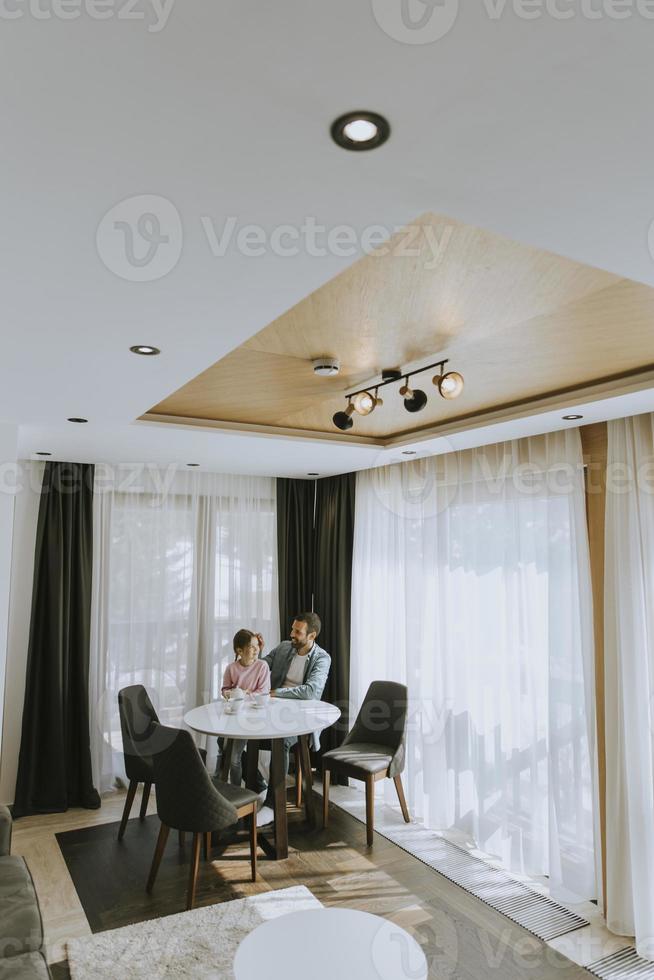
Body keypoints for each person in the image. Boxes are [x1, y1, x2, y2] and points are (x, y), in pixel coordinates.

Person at [256, 612, 330, 826]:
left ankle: (272, 805)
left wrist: (276, 693)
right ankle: (260, 786)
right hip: (271, 709)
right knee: (229, 738)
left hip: (300, 719)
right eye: (293, 629)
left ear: (312, 635)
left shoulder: (322, 658)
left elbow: (311, 692)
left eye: (297, 632)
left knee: (281, 742)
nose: (292, 634)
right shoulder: (283, 648)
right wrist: (257, 651)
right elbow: (260, 668)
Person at [216, 629, 271, 786]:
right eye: (251, 647)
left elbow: (264, 692)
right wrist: (230, 694)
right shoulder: (231, 668)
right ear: (239, 651)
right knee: (223, 746)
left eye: (257, 646)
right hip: (232, 714)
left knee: (234, 758)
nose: (256, 650)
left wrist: (244, 694)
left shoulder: (262, 666)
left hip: (251, 718)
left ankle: (236, 791)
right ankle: (220, 782)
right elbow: (224, 690)